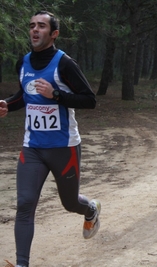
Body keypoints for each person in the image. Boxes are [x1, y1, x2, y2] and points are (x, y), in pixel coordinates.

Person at [0, 11, 101, 267]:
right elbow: (25, 95)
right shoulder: (23, 63)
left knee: (69, 203)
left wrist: (56, 95)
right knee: (24, 204)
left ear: (53, 34)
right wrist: (7, 105)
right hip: (33, 148)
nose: (35, 30)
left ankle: (90, 209)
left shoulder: (65, 63)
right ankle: (22, 263)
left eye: (41, 26)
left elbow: (89, 100)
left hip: (64, 149)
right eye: (32, 25)